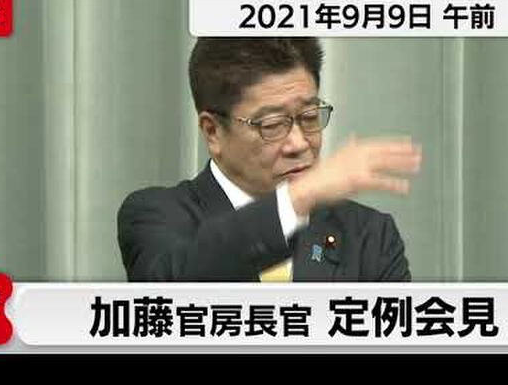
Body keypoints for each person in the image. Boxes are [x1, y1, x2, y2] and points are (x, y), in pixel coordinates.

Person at [117, 38, 422, 282]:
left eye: (309, 116)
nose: (299, 143)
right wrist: (297, 200)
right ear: (213, 132)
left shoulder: (368, 236)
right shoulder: (157, 216)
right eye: (272, 125)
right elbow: (172, 292)